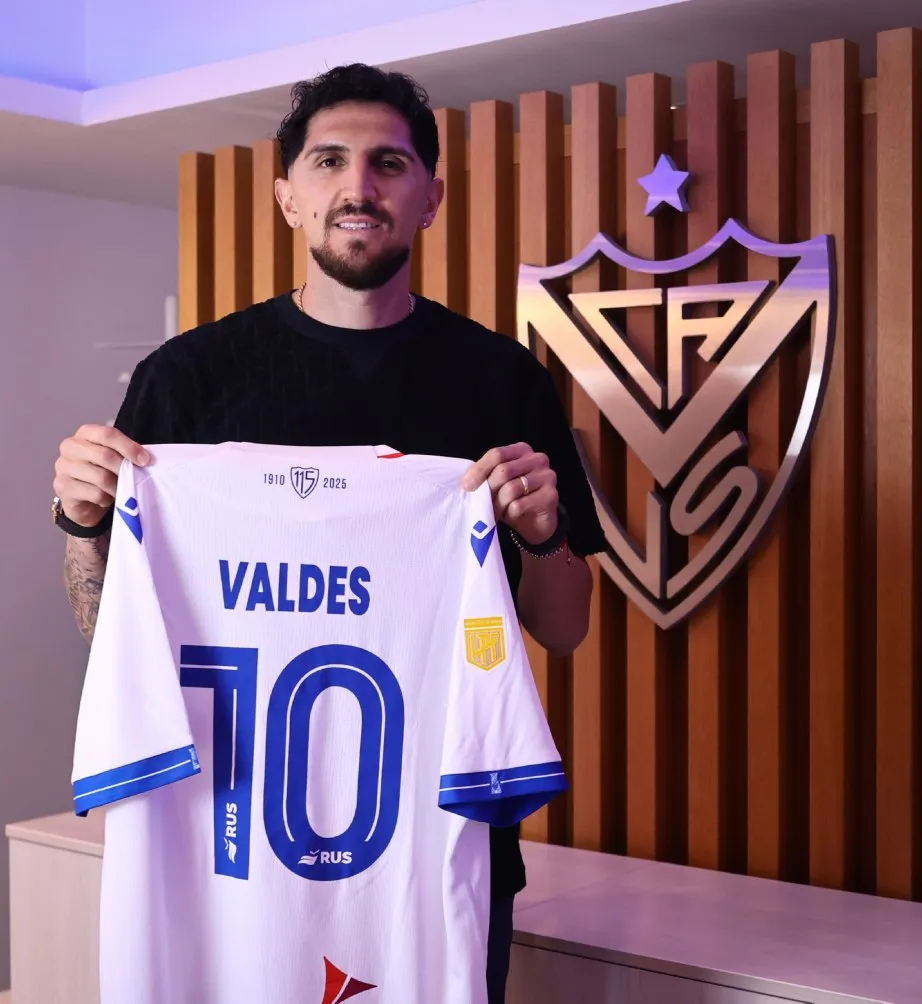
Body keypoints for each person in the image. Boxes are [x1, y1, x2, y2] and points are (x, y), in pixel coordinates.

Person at [51, 62, 605, 1004]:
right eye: (329, 161)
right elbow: (110, 632)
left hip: (428, 847)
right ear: (288, 197)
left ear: (430, 197)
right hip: (221, 855)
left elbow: (566, 625)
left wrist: (544, 535)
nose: (358, 187)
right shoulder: (187, 380)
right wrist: (84, 519)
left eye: (389, 164)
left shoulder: (499, 381)